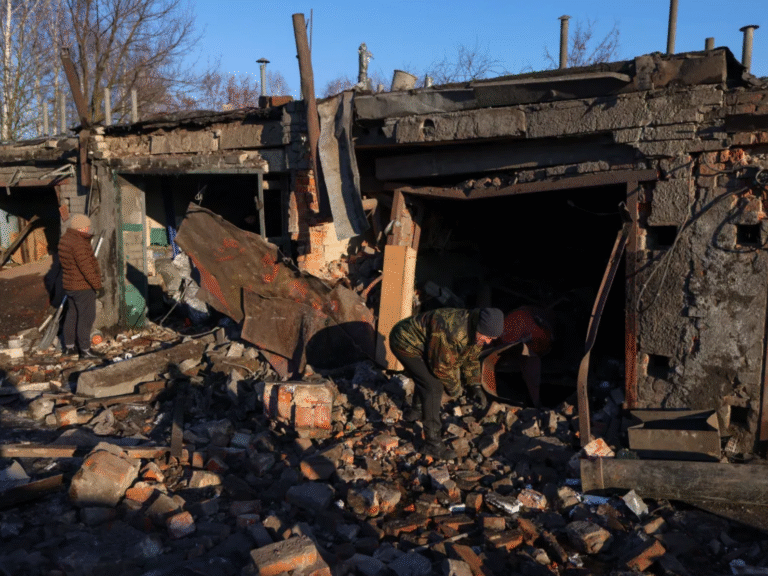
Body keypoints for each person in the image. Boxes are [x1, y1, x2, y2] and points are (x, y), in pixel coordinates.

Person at [389, 307, 504, 460]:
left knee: (425, 378)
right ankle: (433, 443)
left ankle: (415, 411)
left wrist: (474, 385)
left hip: (425, 344)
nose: (487, 342)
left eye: (492, 339)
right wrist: (456, 391)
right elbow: (441, 368)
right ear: (478, 327)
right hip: (404, 340)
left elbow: (470, 359)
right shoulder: (453, 332)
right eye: (486, 337)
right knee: (433, 386)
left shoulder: (476, 331)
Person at [58, 214, 103, 359]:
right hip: (82, 287)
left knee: (72, 315)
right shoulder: (79, 243)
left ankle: (70, 347)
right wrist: (98, 286)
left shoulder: (65, 239)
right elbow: (87, 268)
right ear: (81, 227)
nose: (89, 229)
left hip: (70, 285)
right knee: (86, 317)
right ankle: (85, 350)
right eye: (87, 226)